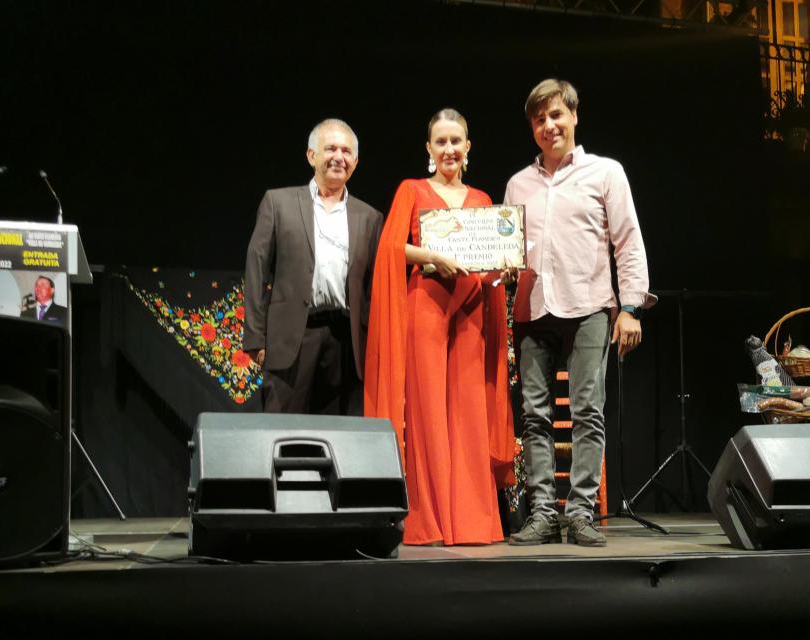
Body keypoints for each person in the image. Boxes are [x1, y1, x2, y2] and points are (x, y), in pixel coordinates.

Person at [505, 79, 656, 547]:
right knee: (534, 415)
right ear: (532, 128)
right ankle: (544, 513)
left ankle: (583, 513)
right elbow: (506, 251)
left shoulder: (606, 173)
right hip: (533, 309)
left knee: (588, 412)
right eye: (539, 119)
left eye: (556, 115)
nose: (549, 125)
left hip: (590, 306)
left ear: (573, 116)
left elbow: (627, 241)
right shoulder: (518, 184)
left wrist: (629, 308)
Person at [364, 108, 515, 546]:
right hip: (425, 306)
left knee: (469, 413)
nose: (449, 149)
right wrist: (435, 256)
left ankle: (470, 522)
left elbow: (490, 258)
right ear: (429, 150)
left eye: (456, 141)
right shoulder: (411, 190)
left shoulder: (483, 199)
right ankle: (428, 521)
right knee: (428, 414)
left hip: (469, 312)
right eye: (441, 142)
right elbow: (391, 246)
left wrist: (498, 273)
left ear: (468, 148)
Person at [243, 119, 383, 416]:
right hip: (293, 336)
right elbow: (256, 269)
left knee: (338, 440)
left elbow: (373, 290)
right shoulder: (278, 203)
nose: (338, 157)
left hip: (346, 344)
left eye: (346, 151)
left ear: (355, 162)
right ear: (311, 156)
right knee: (283, 435)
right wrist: (255, 337)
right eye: (330, 148)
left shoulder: (370, 218)